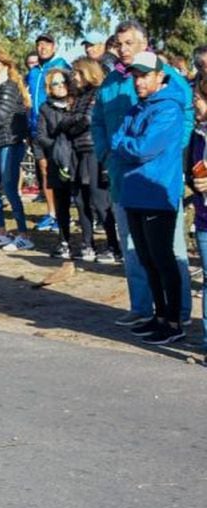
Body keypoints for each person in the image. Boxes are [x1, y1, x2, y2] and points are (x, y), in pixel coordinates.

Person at [92, 19, 192, 329]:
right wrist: (106, 153)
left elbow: (185, 116)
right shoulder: (110, 82)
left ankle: (179, 313)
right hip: (123, 178)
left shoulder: (167, 77)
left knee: (169, 252)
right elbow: (99, 122)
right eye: (118, 44)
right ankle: (142, 307)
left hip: (156, 178)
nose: (122, 49)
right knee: (133, 249)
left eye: (128, 43)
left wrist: (170, 149)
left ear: (143, 43)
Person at [109, 51, 188, 345]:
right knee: (147, 260)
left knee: (162, 259)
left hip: (157, 193)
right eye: (136, 76)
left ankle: (174, 321)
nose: (138, 82)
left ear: (159, 76)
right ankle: (158, 316)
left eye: (144, 76)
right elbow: (119, 139)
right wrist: (125, 144)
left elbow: (143, 148)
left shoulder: (168, 109)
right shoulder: (137, 108)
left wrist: (123, 145)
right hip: (134, 192)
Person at [64, 57, 121, 263]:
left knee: (100, 200)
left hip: (93, 151)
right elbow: (74, 121)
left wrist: (68, 123)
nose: (74, 77)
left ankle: (114, 245)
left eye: (77, 73)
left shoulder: (97, 93)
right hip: (77, 150)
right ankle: (88, 244)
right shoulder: (79, 96)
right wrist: (71, 122)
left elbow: (87, 120)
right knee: (80, 199)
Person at [0, 50, 33, 251]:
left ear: (7, 66)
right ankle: (1, 231)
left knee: (9, 189)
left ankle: (24, 234)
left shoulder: (8, 87)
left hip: (10, 142)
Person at [26, 33, 72, 232]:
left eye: (46, 44)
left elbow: (70, 91)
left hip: (56, 125)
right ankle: (51, 213)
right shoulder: (34, 71)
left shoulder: (61, 65)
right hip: (37, 127)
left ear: (54, 46)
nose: (42, 48)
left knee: (61, 170)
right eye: (39, 44)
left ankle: (65, 212)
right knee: (44, 170)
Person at [35, 68, 80, 259]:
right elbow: (40, 136)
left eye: (63, 82)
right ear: (49, 87)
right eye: (55, 83)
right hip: (57, 160)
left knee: (83, 201)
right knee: (61, 203)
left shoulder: (77, 103)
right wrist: (56, 147)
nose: (60, 87)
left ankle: (89, 242)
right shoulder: (45, 108)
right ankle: (64, 241)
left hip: (78, 157)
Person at [186, 76, 207, 361]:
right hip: (204, 218)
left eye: (199, 98)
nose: (194, 103)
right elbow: (193, 172)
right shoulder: (197, 134)